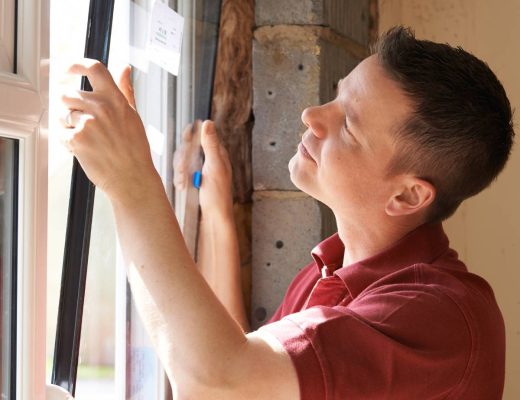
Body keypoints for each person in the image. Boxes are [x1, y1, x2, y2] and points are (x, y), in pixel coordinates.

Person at [59, 27, 513, 399]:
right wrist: (217, 215)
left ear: (409, 197)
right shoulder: (329, 273)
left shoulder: (441, 317)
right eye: (336, 96)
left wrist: (131, 182)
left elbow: (219, 381)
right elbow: (249, 371)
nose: (312, 114)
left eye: (349, 126)